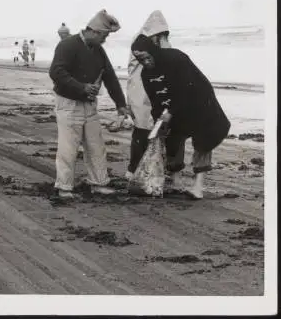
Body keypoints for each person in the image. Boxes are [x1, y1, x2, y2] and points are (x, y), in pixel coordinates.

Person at [131, 34, 231, 199]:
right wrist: (158, 121)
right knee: (172, 138)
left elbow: (187, 88)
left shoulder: (176, 59)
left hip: (199, 104)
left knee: (203, 142)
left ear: (153, 51)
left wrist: (170, 111)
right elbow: (155, 101)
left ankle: (198, 186)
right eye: (140, 60)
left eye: (146, 57)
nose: (145, 62)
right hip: (173, 109)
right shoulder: (146, 75)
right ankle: (177, 181)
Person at [48, 10, 133, 198]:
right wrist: (81, 87)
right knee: (68, 147)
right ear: (94, 31)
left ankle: (99, 183)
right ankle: (64, 187)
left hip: (89, 104)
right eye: (104, 35)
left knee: (96, 145)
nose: (105, 40)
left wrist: (120, 103)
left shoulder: (97, 49)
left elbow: (109, 76)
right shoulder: (67, 45)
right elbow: (56, 72)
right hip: (68, 103)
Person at [126, 10, 171, 178]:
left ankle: (142, 169)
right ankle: (133, 169)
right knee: (142, 130)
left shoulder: (149, 40)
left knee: (148, 130)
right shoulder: (143, 42)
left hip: (147, 90)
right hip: (141, 90)